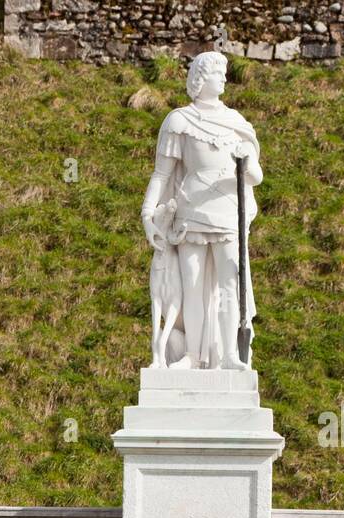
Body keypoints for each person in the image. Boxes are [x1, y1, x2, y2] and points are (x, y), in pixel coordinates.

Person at [140, 51, 263, 369]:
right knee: (192, 285)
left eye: (224, 72)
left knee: (228, 284)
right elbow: (161, 175)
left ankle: (228, 355)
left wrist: (245, 163)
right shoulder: (179, 121)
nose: (224, 77)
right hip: (190, 212)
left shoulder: (236, 123)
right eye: (216, 73)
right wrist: (147, 215)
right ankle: (191, 355)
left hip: (227, 211)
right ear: (199, 78)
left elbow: (256, 176)